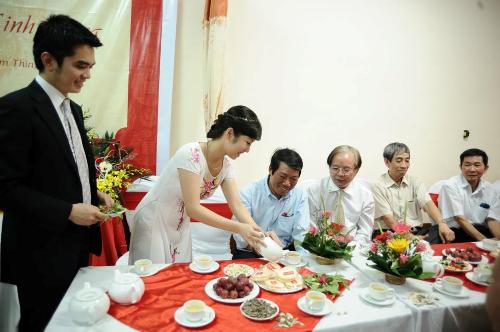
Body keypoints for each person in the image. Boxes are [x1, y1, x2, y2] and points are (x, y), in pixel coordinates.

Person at [0, 15, 113, 331]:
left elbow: (67, 165)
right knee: (42, 323)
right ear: (48, 60)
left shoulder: (72, 108)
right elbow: (6, 189)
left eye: (90, 66)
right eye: (80, 66)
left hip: (75, 243)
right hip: (38, 252)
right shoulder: (16, 108)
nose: (88, 74)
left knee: (69, 322)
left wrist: (93, 193)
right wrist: (67, 211)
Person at [129, 106, 265, 264]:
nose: (248, 150)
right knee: (153, 279)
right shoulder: (191, 155)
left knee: (177, 278)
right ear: (229, 133)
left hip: (179, 224)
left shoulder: (226, 166)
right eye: (248, 142)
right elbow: (193, 208)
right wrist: (239, 227)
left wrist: (258, 233)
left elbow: (237, 206)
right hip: (154, 220)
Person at [232, 148, 310, 259]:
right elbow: (239, 231)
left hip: (283, 252)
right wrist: (261, 244)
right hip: (250, 252)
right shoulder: (249, 193)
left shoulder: (300, 196)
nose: (287, 184)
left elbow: (301, 234)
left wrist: (302, 261)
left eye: (293, 179)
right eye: (283, 177)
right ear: (270, 169)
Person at [372, 142, 455, 243]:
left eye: (407, 161)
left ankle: (420, 247)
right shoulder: (378, 185)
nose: (404, 165)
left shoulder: (415, 181)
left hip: (416, 231)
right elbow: (387, 218)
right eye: (399, 161)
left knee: (439, 230)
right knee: (390, 243)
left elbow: (428, 204)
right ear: (387, 162)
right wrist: (409, 237)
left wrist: (442, 223)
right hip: (390, 232)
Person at [306, 145, 374, 244]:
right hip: (319, 246)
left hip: (351, 248)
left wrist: (348, 248)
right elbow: (310, 225)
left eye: (346, 170)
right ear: (329, 167)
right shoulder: (315, 190)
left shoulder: (365, 196)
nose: (340, 174)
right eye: (335, 168)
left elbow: (364, 232)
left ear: (356, 170)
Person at [439, 148, 500, 242]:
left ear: (486, 168)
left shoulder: (491, 189)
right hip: (455, 231)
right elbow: (459, 218)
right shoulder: (450, 186)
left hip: (480, 229)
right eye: (467, 165)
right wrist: (485, 241)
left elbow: (492, 219)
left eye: (477, 165)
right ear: (460, 167)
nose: (472, 169)